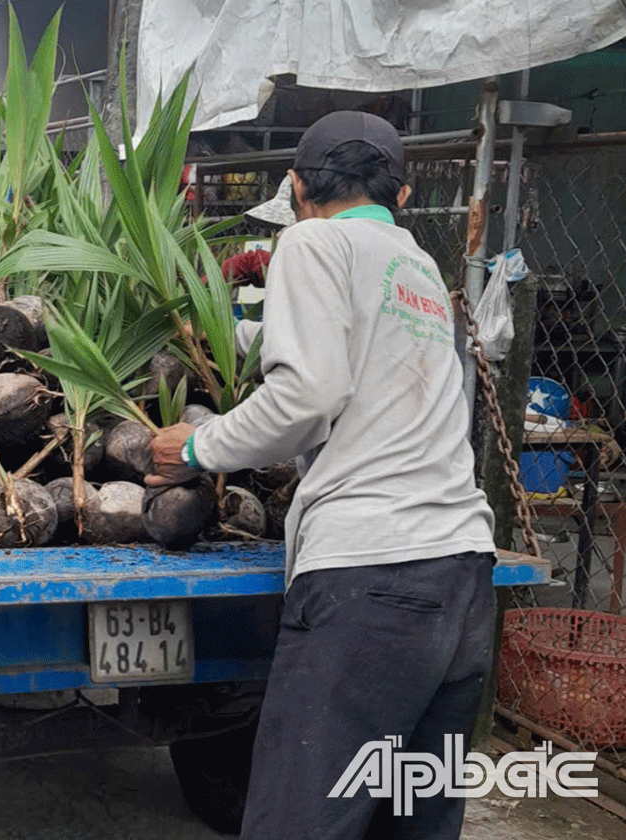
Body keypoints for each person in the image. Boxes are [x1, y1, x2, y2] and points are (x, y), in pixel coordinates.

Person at [148, 111, 497, 840]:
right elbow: (350, 348)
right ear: (399, 198)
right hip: (460, 582)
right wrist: (214, 333)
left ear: (298, 187)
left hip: (371, 586)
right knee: (410, 825)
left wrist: (196, 447)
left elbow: (308, 396)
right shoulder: (416, 267)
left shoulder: (312, 240)